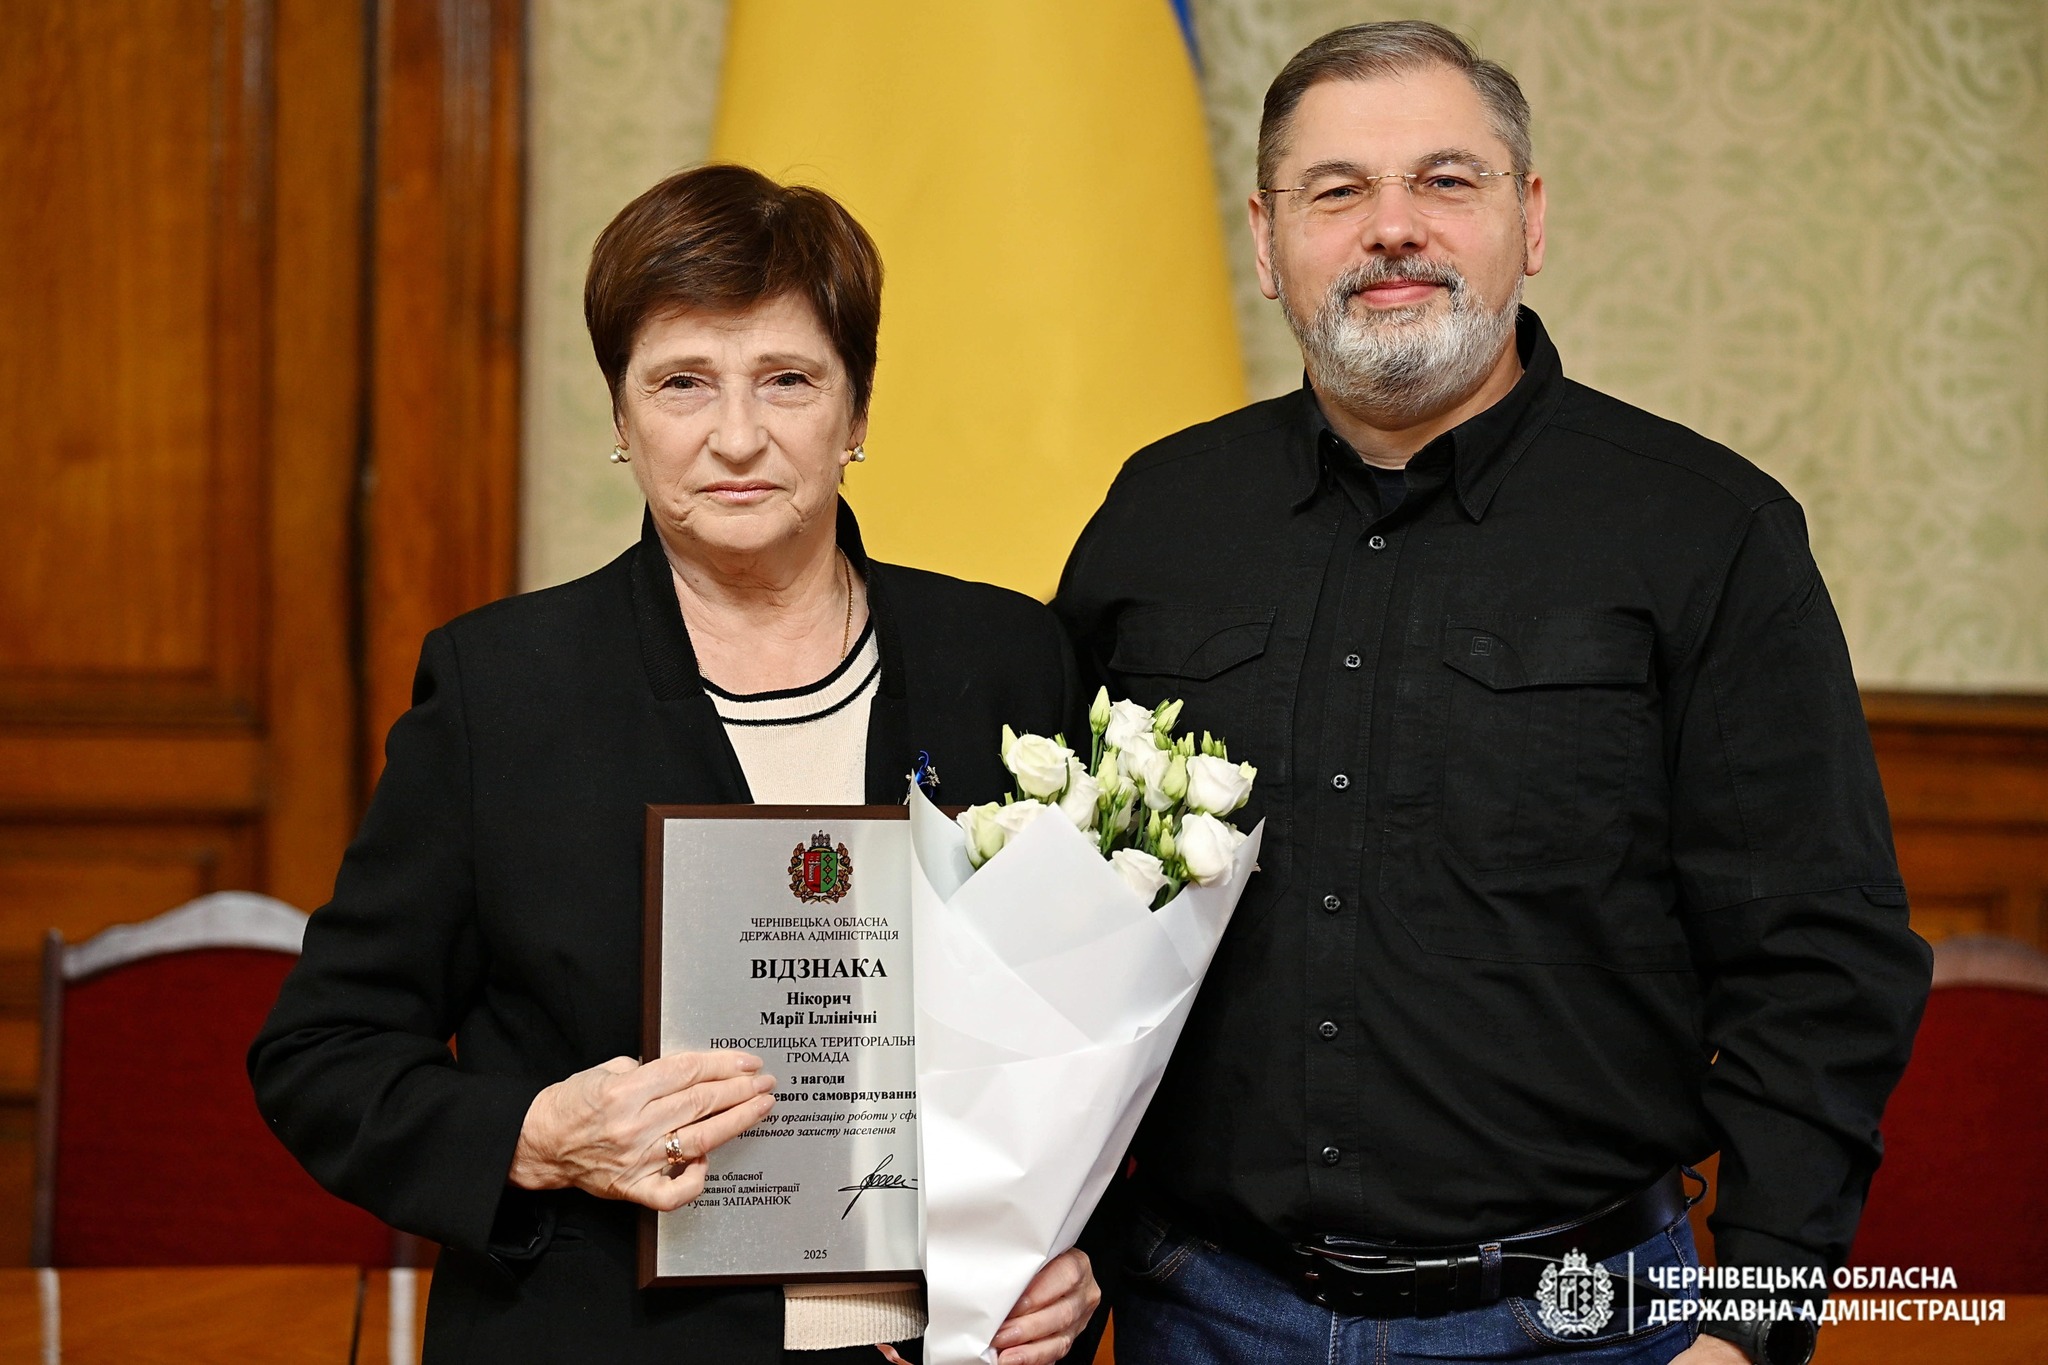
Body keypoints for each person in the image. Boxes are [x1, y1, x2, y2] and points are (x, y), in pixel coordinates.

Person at [1054, 22, 1928, 1365]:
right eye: (1336, 190)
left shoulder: (1705, 529)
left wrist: (1751, 1325)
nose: (1392, 226)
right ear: (1267, 239)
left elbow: (1824, 955)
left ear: (1530, 218)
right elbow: (1048, 919)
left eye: (1445, 180)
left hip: (1581, 1324)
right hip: (1202, 1308)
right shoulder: (1159, 514)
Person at [250, 165, 1100, 1365]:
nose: (736, 436)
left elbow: (1085, 1049)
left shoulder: (1005, 661)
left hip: (939, 1346)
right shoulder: (503, 688)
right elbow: (322, 1055)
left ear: (856, 413)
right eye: (681, 382)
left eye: (788, 380)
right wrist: (540, 1135)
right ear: (620, 418)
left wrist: (1074, 1252)